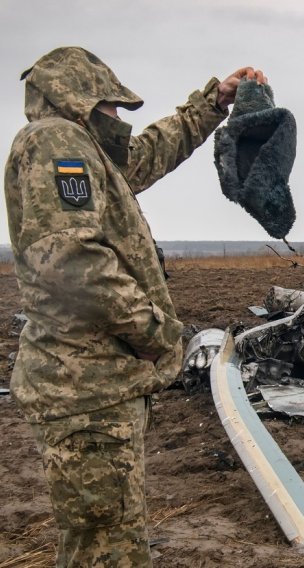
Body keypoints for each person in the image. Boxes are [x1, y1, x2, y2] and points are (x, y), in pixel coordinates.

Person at [3, 46, 266, 567]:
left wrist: (212, 102)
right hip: (85, 388)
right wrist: (158, 336)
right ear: (81, 100)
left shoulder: (84, 148)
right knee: (104, 549)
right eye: (113, 106)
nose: (120, 119)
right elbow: (73, 262)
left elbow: (142, 155)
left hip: (95, 384)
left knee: (109, 534)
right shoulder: (56, 141)